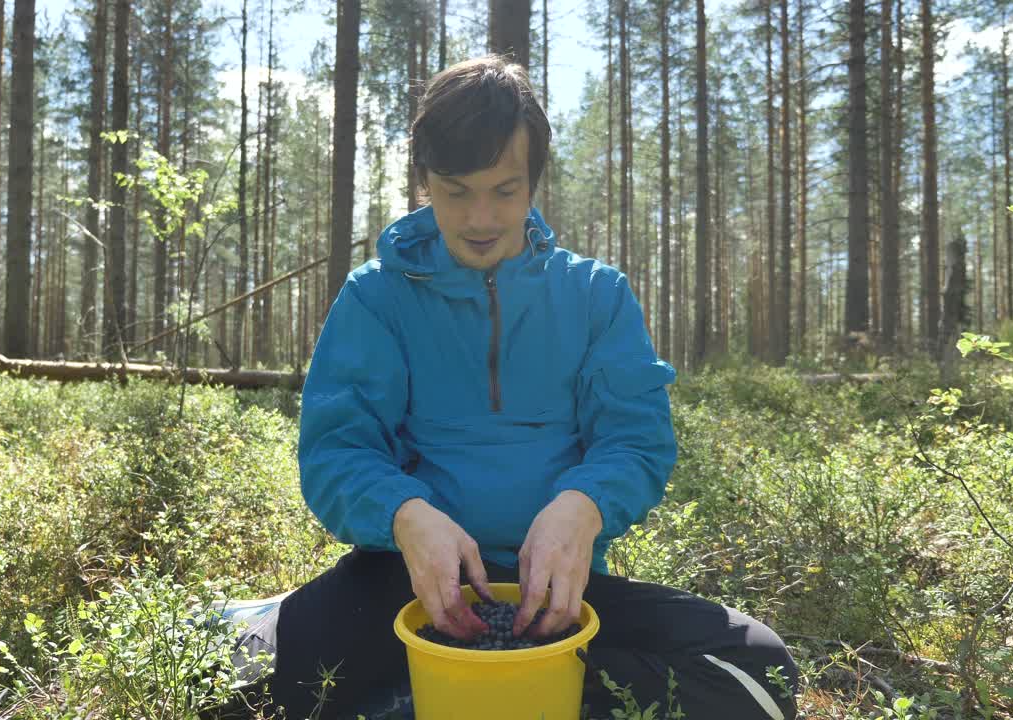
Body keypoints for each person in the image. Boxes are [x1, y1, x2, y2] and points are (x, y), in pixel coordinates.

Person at [247, 55, 799, 720]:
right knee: (238, 684)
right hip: (404, 582)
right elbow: (336, 453)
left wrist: (584, 504)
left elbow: (636, 441)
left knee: (760, 673)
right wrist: (407, 515)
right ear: (423, 180)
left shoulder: (596, 297)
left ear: (534, 183)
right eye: (456, 191)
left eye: (504, 191)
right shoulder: (377, 299)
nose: (480, 218)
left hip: (562, 596)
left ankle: (461, 697)